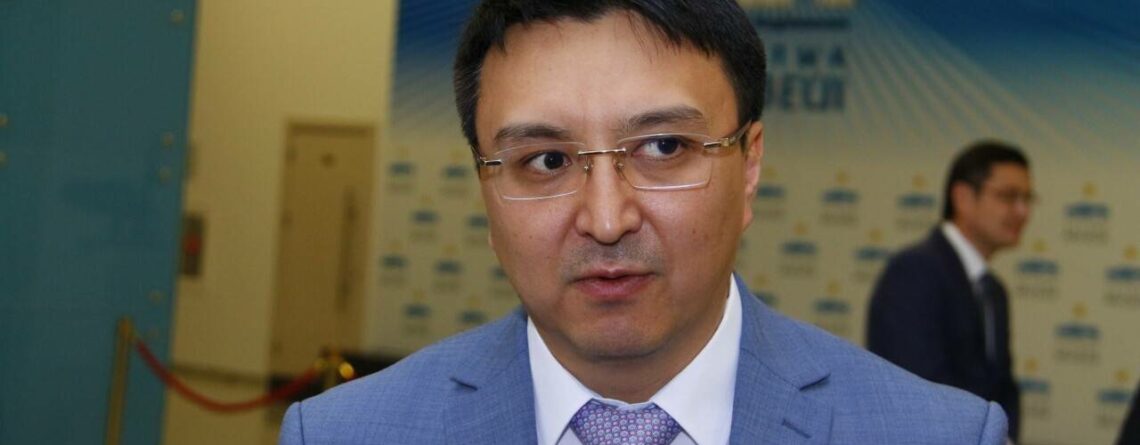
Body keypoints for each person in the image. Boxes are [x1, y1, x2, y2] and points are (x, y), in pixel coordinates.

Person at [280, 1, 1008, 443]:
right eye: (545, 160)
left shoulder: (936, 435)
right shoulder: (345, 434)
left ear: (749, 166)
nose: (606, 219)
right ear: (485, 188)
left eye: (663, 148)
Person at [868, 141, 1032, 443]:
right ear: (963, 197)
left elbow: (1003, 392)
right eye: (1009, 196)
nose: (1023, 211)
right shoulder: (914, 272)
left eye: (1027, 199)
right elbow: (917, 390)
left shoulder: (994, 291)